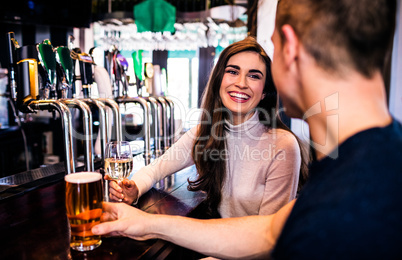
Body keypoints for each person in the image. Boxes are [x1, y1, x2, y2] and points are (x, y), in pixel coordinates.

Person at [93, 0, 402, 258]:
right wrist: (146, 223)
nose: (243, 82)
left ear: (290, 47)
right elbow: (268, 231)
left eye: (273, 48)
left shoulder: (342, 201)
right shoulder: (370, 164)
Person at [108, 36, 308, 218]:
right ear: (219, 80)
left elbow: (268, 238)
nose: (241, 83)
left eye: (254, 76)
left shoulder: (282, 145)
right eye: (233, 72)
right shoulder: (204, 133)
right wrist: (134, 188)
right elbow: (156, 169)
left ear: (264, 92)